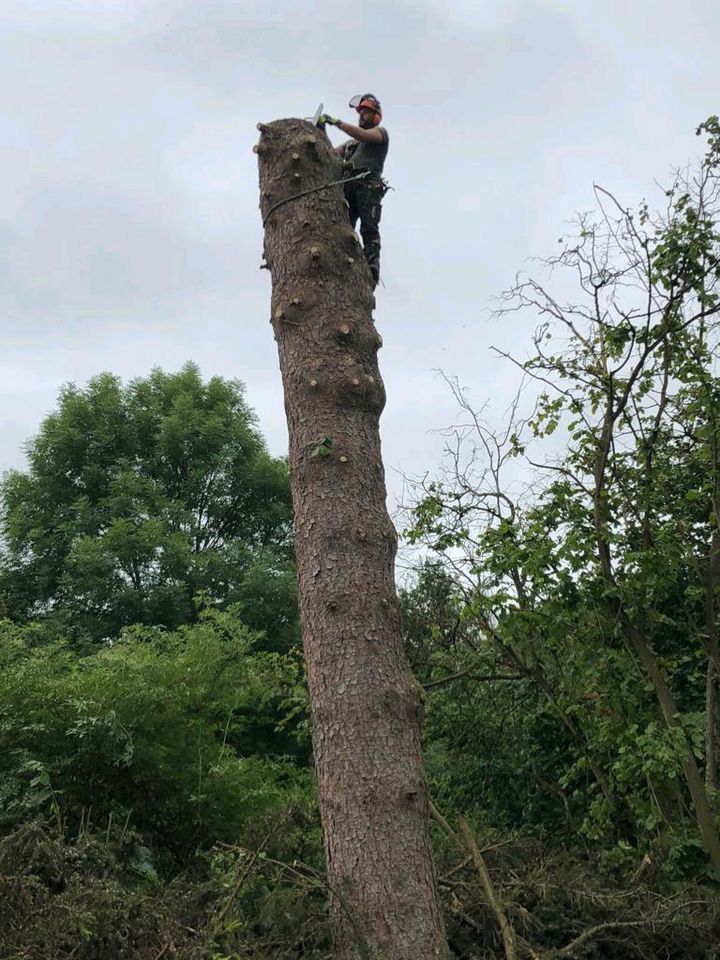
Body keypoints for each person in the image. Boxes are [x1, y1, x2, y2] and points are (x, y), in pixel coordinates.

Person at [319, 95, 389, 286]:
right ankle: (342, 263)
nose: (361, 116)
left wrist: (337, 123)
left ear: (375, 116)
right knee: (343, 228)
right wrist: (320, 132)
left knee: (369, 227)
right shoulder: (351, 145)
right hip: (348, 188)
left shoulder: (380, 134)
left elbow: (362, 134)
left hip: (367, 186)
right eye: (361, 113)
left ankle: (372, 266)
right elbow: (330, 155)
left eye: (366, 112)